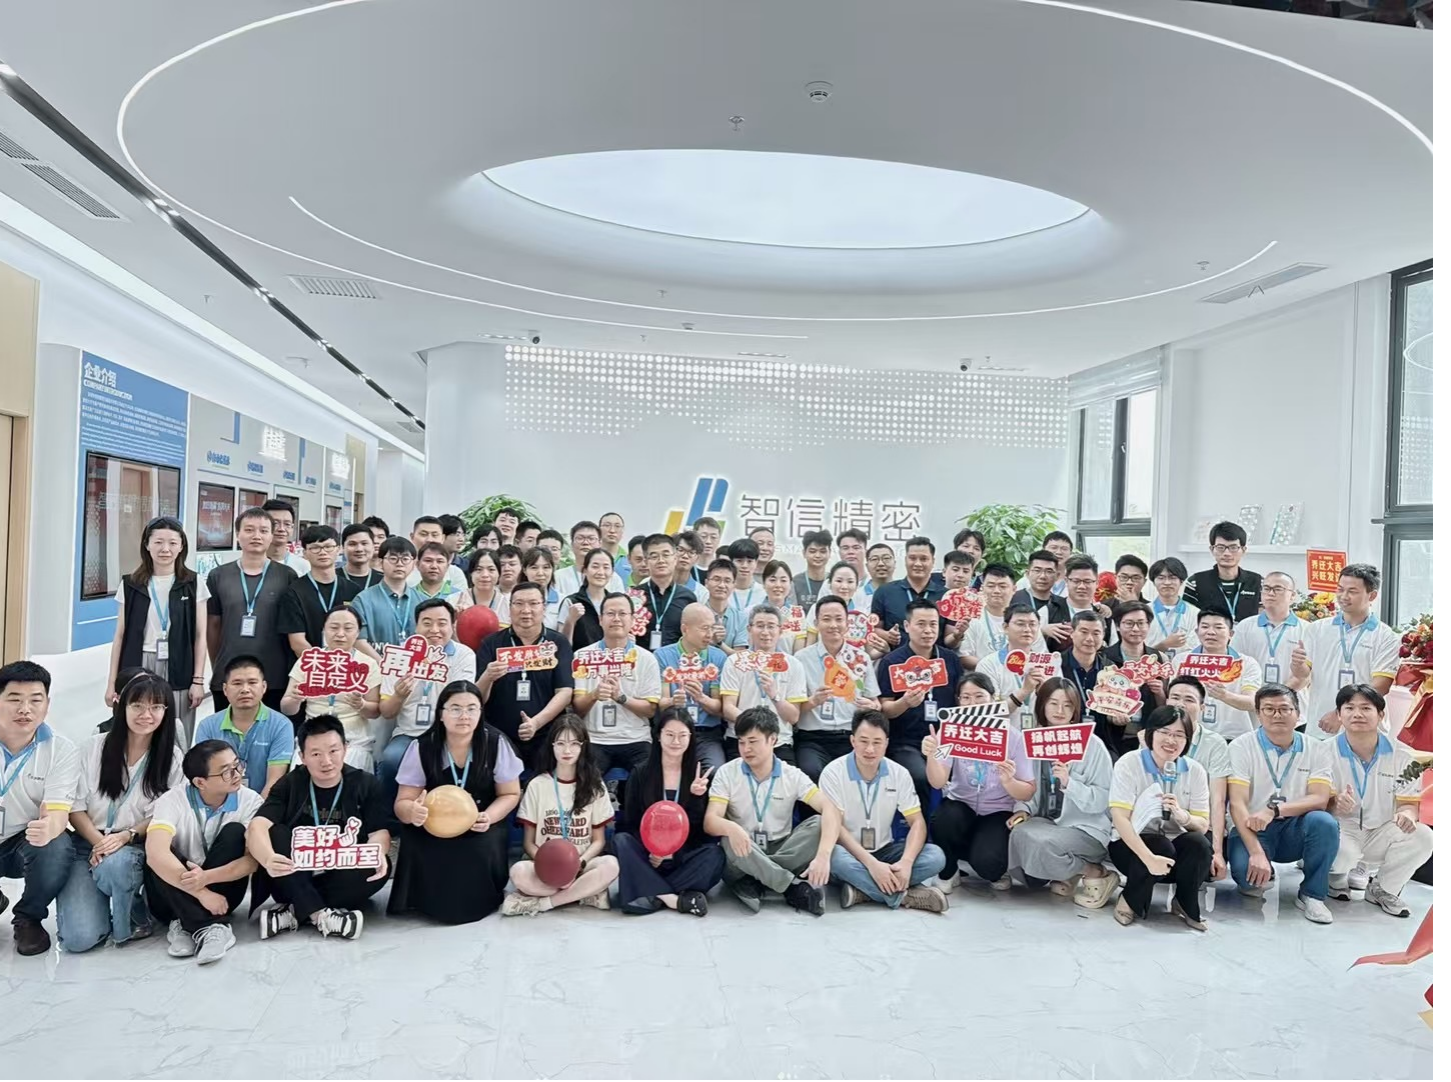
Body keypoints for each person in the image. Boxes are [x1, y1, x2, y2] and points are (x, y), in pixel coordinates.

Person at [57, 672, 183, 952]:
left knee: (117, 865)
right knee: (79, 940)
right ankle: (106, 908)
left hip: (135, 844)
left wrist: (126, 836)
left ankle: (135, 909)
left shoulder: (172, 758)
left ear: (166, 711)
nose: (146, 714)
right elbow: (74, 807)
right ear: (122, 706)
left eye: (156, 706)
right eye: (137, 705)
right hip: (86, 842)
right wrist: (100, 843)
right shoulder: (92, 747)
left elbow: (167, 813)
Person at [247, 715, 390, 940]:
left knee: (378, 863)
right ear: (302, 756)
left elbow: (378, 832)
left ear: (345, 748)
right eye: (315, 754)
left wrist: (377, 852)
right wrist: (267, 859)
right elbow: (257, 826)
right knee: (276, 834)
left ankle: (295, 911)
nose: (326, 761)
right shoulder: (290, 783)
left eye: (333, 751)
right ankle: (322, 915)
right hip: (293, 872)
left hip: (340, 874)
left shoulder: (365, 784)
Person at [390, 682, 522, 923]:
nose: (464, 716)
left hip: (480, 821)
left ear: (481, 712)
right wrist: (412, 812)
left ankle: (482, 900)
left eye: (472, 709)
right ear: (441, 714)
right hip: (432, 823)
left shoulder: (495, 743)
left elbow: (510, 794)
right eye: (455, 709)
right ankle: (424, 902)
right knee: (420, 840)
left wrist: (489, 816)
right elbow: (402, 802)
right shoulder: (422, 747)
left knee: (478, 846)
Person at [705, 707, 839, 915]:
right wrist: (732, 828)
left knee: (821, 823)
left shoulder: (791, 774)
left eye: (753, 741)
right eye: (741, 742)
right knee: (728, 838)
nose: (746, 749)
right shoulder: (727, 772)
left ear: (773, 740)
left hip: (780, 847)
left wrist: (823, 856)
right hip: (745, 847)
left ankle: (757, 877)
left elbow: (830, 808)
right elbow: (710, 821)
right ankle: (790, 887)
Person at [1226, 684, 1339, 923]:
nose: (1277, 715)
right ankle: (1263, 866)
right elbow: (1237, 803)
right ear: (1258, 714)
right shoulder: (1241, 746)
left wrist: (1275, 810)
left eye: (1285, 709)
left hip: (1295, 828)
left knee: (1324, 822)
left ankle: (1312, 894)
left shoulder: (1317, 749)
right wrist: (1256, 853)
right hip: (1253, 828)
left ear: (1298, 714)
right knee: (1249, 883)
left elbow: (1320, 799)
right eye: (1269, 709)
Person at [144, 740, 261, 963]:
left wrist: (206, 878)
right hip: (174, 896)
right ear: (200, 782)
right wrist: (201, 893)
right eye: (226, 772)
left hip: (223, 895)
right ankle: (205, 926)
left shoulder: (251, 801)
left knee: (235, 832)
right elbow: (156, 853)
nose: (237, 774)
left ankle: (187, 923)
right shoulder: (172, 800)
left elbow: (252, 861)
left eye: (237, 765)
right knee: (159, 852)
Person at [1006, 678, 1118, 908]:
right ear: (1042, 705)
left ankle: (1095, 872)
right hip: (1047, 823)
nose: (1060, 711)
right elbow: (1028, 785)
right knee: (1019, 834)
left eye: (1067, 705)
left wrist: (1069, 783)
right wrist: (1022, 810)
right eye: (1053, 703)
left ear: (1075, 710)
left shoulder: (1093, 745)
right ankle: (1068, 872)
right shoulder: (1034, 740)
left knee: (1044, 844)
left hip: (1084, 828)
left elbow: (1103, 800)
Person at [821, 710, 947, 912]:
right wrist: (871, 864)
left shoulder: (899, 773)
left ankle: (863, 890)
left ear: (887, 743)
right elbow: (835, 827)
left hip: (885, 851)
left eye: (877, 742)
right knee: (834, 857)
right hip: (849, 852)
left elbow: (917, 822)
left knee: (936, 856)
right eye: (863, 741)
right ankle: (903, 897)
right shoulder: (833, 772)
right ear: (852, 741)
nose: (870, 749)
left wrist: (906, 863)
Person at [1325, 684, 1432, 918]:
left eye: (1366, 708)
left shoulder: (1404, 756)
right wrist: (1334, 803)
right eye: (1349, 708)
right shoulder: (1323, 752)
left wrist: (1406, 814)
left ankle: (1383, 888)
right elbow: (1316, 800)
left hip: (1381, 831)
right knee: (1339, 848)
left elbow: (1409, 804)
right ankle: (1334, 879)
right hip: (1343, 828)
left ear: (1381, 715)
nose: (1357, 714)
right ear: (1339, 714)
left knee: (1424, 836)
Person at [924, 672, 1034, 891]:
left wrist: (1009, 781)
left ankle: (984, 857)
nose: (972, 703)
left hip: (998, 810)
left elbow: (1028, 791)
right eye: (965, 697)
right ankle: (950, 870)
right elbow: (938, 782)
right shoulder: (950, 732)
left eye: (979, 696)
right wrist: (932, 756)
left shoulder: (1013, 737)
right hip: (960, 804)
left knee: (989, 865)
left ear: (993, 698)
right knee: (944, 819)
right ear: (958, 701)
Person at [1107, 705, 1214, 930]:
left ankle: (1185, 903)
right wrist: (1149, 858)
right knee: (1160, 845)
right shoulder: (1129, 763)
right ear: (1150, 733)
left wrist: (1183, 817)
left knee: (1199, 843)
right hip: (1131, 848)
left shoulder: (1195, 770)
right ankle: (1130, 900)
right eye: (1164, 732)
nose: (1171, 740)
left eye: (1179, 735)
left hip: (1174, 851)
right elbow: (1120, 818)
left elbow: (1203, 825)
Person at [0, 661, 81, 955]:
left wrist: (50, 826)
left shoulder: (61, 750)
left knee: (56, 845)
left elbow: (58, 812)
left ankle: (28, 917)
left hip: (22, 840)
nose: (25, 709)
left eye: (35, 700)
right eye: (14, 699)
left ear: (47, 705)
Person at [106, 515, 209, 742]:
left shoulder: (193, 583)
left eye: (172, 543)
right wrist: (112, 683)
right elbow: (120, 635)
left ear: (181, 546)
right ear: (147, 545)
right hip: (139, 661)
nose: (165, 549)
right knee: (138, 727)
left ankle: (176, 766)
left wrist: (198, 680)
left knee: (177, 732)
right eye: (158, 542)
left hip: (179, 663)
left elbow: (201, 635)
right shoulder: (131, 584)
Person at [504, 715, 621, 915]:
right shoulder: (537, 785)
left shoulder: (595, 785)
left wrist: (578, 865)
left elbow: (599, 841)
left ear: (583, 747)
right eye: (560, 743)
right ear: (552, 746)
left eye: (574, 744)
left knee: (611, 865)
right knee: (518, 872)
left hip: (582, 865)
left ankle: (543, 903)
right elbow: (529, 843)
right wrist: (550, 866)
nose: (567, 751)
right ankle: (585, 893)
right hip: (544, 866)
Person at [613, 707, 724, 916]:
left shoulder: (698, 776)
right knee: (621, 841)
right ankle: (673, 898)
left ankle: (650, 893)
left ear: (691, 737)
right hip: (648, 857)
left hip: (682, 857)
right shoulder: (641, 773)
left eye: (682, 735)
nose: (676, 741)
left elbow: (702, 834)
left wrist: (696, 797)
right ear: (658, 736)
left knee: (715, 856)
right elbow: (629, 822)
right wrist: (653, 850)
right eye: (670, 735)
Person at [377, 599, 477, 797]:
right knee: (390, 759)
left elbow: (461, 701)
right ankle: (389, 813)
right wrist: (399, 695)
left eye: (442, 623)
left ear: (453, 626)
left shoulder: (464, 655)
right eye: (427, 623)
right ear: (416, 627)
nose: (434, 630)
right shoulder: (399, 656)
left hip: (448, 733)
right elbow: (386, 712)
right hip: (409, 734)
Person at [476, 581, 575, 767]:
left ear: (544, 608)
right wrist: (488, 676)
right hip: (499, 734)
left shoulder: (558, 642)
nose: (526, 610)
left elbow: (564, 692)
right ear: (510, 608)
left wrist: (536, 722)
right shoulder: (491, 643)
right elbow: (477, 697)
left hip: (546, 733)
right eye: (519, 603)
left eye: (533, 603)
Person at [206, 507, 296, 712]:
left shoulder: (287, 576)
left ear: (271, 536)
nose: (256, 536)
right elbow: (213, 625)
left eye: (263, 531)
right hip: (229, 674)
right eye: (249, 530)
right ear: (237, 534)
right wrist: (218, 663)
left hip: (274, 676)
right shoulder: (218, 575)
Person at [1302, 563, 1402, 738]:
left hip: (1365, 732)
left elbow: (1380, 686)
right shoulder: (1316, 629)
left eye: (1352, 591)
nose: (1343, 596)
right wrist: (1297, 666)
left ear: (1372, 595)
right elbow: (1303, 675)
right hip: (1321, 727)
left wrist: (1340, 715)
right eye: (1340, 589)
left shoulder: (1387, 637)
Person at [879, 599, 962, 807]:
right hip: (906, 742)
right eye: (921, 624)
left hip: (945, 741)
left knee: (960, 773)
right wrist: (905, 702)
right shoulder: (892, 661)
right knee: (920, 776)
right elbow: (885, 709)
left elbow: (960, 701)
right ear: (907, 626)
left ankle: (948, 822)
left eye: (933, 624)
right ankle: (922, 823)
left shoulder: (950, 660)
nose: (928, 630)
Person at [280, 605, 383, 769]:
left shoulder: (367, 664)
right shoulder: (309, 660)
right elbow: (286, 708)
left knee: (350, 770)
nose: (340, 634)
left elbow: (375, 711)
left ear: (358, 632)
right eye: (334, 628)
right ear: (324, 630)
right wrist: (295, 699)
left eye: (348, 628)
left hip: (353, 739)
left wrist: (361, 705)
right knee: (302, 773)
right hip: (313, 735)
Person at [573, 593, 663, 775]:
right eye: (610, 613)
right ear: (600, 620)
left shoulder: (646, 658)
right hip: (595, 738)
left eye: (622, 614)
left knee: (647, 778)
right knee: (587, 780)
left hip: (636, 739)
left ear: (632, 620)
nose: (616, 619)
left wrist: (621, 697)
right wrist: (594, 695)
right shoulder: (583, 656)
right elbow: (577, 709)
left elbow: (650, 710)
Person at [794, 595, 882, 781]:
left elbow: (876, 702)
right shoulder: (801, 659)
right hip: (812, 738)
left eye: (839, 619)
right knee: (811, 771)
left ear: (848, 624)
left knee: (855, 776)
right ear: (816, 623)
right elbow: (793, 711)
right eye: (826, 619)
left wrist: (873, 706)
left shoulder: (861, 658)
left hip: (851, 736)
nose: (833, 625)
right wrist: (813, 701)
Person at [193, 655, 295, 798]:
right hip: (219, 802)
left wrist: (257, 810)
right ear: (225, 689)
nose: (245, 689)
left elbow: (274, 781)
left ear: (264, 687)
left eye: (252, 682)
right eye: (237, 683)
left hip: (263, 803)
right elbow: (207, 777)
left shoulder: (281, 725)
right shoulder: (207, 726)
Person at [721, 604, 810, 763]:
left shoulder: (793, 664)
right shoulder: (735, 661)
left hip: (779, 742)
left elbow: (793, 717)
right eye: (760, 626)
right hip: (741, 740)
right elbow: (728, 708)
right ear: (749, 629)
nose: (765, 632)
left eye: (771, 626)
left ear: (780, 630)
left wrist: (774, 695)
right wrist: (755, 729)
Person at [1166, 675, 1232, 881]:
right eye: (1175, 697)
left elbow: (1218, 799)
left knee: (1205, 867)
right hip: (1161, 822)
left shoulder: (1215, 743)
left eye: (1189, 699)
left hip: (1199, 823)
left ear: (1202, 708)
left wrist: (1217, 851)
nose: (1180, 704)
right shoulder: (1151, 737)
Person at [654, 602, 730, 771]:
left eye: (712, 628)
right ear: (685, 629)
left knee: (715, 771)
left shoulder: (718, 657)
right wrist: (673, 701)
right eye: (704, 628)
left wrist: (701, 698)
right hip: (673, 728)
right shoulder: (663, 656)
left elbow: (719, 708)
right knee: (660, 771)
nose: (709, 634)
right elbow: (661, 703)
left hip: (707, 732)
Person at [279, 524, 364, 659]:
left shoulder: (353, 590)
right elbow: (297, 642)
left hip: (348, 665)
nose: (322, 552)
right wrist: (325, 665)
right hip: (309, 666)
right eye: (315, 548)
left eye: (328, 547)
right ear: (305, 553)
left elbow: (359, 635)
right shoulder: (294, 592)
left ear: (339, 549)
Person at [1176, 609, 1262, 741]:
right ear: (1197, 632)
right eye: (1205, 626)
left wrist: (1225, 696)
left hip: (1234, 736)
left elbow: (1252, 702)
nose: (1211, 632)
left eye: (1218, 627)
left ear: (1231, 634)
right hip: (1189, 734)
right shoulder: (1181, 661)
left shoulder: (1247, 663)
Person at [1234, 571, 1310, 704]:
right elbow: (1236, 665)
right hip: (1253, 703)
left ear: (1292, 595)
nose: (1270, 593)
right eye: (1266, 588)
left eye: (1278, 589)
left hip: (1292, 703)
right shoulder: (1245, 626)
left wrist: (1278, 696)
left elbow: (1307, 675)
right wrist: (1257, 699)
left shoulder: (1307, 629)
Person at [1104, 600, 1169, 748]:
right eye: (1129, 623)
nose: (1135, 629)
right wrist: (1111, 716)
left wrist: (1159, 692)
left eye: (1141, 623)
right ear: (1117, 626)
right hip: (1113, 736)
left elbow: (1164, 706)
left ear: (1148, 626)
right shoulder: (1104, 658)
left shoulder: (1159, 659)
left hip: (1148, 735)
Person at [1059, 612, 1127, 752]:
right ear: (1072, 633)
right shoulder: (1057, 664)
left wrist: (1114, 718)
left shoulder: (1111, 669)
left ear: (1103, 636)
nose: (1089, 639)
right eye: (1084, 632)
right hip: (1063, 740)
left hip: (1102, 743)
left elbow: (1113, 708)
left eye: (1096, 633)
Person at [959, 564, 1044, 670]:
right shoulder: (971, 617)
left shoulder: (1026, 619)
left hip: (1020, 676)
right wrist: (995, 668)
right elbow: (964, 656)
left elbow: (1040, 655)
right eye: (991, 586)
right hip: (982, 677)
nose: (996, 591)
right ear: (982, 588)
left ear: (1014, 589)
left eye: (1002, 586)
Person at [975, 604, 1048, 727]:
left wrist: (1045, 693)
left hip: (1037, 735)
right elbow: (987, 713)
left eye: (1032, 624)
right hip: (1002, 735)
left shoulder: (1047, 662)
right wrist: (1024, 692)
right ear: (1005, 627)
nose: (1027, 629)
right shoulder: (988, 665)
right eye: (1020, 624)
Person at [349, 537, 425, 650]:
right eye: (393, 558)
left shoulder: (423, 601)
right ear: (381, 563)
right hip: (375, 660)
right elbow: (358, 640)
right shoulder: (363, 600)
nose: (399, 564)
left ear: (413, 564)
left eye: (405, 559)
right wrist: (383, 661)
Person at [870, 536, 946, 647]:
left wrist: (958, 634)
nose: (918, 564)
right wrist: (886, 635)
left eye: (923, 559)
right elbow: (874, 628)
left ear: (933, 561)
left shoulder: (945, 596)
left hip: (935, 657)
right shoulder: (884, 592)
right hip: (895, 656)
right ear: (905, 560)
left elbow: (950, 639)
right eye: (912, 558)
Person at [1184, 520, 1262, 623]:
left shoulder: (1259, 582)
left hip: (1247, 634)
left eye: (1233, 547)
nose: (1227, 553)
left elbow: (1265, 619)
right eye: (1220, 547)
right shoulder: (1195, 583)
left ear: (1243, 550)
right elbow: (1188, 620)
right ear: (1212, 549)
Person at [635, 533, 694, 650]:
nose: (661, 560)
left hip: (675, 659)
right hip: (641, 658)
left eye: (666, 555)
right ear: (646, 562)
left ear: (675, 558)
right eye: (654, 556)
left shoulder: (688, 597)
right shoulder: (635, 596)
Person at [1012, 548, 1073, 651]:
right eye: (1037, 570)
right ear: (1027, 573)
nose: (1043, 576)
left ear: (1057, 576)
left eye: (1049, 571)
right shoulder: (1013, 599)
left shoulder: (1062, 604)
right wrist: (1041, 630)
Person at [563, 547, 617, 649]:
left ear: (612, 572)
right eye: (595, 567)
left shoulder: (615, 603)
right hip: (580, 658)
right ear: (585, 570)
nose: (601, 572)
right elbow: (563, 645)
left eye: (606, 567)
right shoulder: (571, 602)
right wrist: (571, 620)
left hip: (611, 657)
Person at [556, 520, 625, 597]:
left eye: (591, 539)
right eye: (580, 538)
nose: (585, 542)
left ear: (600, 544)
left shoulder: (612, 578)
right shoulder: (558, 577)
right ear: (572, 544)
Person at [1147, 557, 1199, 659]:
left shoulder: (1195, 613)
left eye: (1172, 578)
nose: (1167, 582)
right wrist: (1164, 645)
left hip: (1183, 666)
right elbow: (1137, 649)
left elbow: (1196, 648)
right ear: (1153, 581)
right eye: (1161, 578)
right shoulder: (1143, 612)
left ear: (1181, 581)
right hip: (1150, 666)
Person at [1062, 554, 1118, 649]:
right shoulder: (1049, 612)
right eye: (1076, 581)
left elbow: (1113, 651)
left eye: (1087, 581)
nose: (1082, 586)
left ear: (1096, 583)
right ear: (1066, 581)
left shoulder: (1104, 616)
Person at [405, 517, 469, 594]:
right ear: (412, 537)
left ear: (443, 538)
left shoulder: (455, 573)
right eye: (423, 534)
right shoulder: (402, 568)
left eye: (434, 535)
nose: (429, 539)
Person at [723, 539, 768, 647]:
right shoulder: (722, 591)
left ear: (756, 563)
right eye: (739, 561)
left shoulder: (764, 593)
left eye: (749, 561)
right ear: (731, 562)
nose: (744, 565)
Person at [458, 548, 509, 628]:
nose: (485, 575)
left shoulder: (508, 604)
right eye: (479, 569)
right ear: (471, 573)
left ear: (499, 573)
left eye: (491, 569)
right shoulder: (456, 600)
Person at [520, 547, 567, 629]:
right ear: (524, 570)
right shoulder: (514, 598)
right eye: (534, 568)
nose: (540, 573)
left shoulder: (562, 601)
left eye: (546, 567)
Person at [760, 559, 802, 651]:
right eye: (772, 580)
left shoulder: (797, 613)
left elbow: (799, 651)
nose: (778, 585)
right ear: (763, 583)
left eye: (783, 580)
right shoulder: (753, 612)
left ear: (790, 584)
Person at [262, 499, 312, 575]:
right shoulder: (249, 563)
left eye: (287, 524)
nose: (281, 529)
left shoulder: (303, 566)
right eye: (275, 523)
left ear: (292, 528)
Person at [701, 557, 738, 650]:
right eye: (716, 579)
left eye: (727, 581)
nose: (721, 585)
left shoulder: (741, 618)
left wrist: (719, 643)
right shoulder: (696, 614)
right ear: (706, 583)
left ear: (734, 586)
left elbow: (740, 655)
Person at [793, 529, 833, 609]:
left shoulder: (834, 581)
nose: (818, 555)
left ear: (829, 553)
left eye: (823, 551)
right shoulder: (795, 582)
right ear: (804, 553)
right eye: (812, 551)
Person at [415, 542, 463, 607]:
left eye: (440, 561)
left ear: (447, 566)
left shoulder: (458, 596)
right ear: (418, 564)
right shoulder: (408, 595)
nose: (434, 566)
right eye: (428, 560)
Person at [339, 523, 383, 590]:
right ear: (342, 547)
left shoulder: (383, 581)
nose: (359, 549)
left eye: (364, 543)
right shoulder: (332, 578)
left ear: (373, 546)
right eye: (352, 544)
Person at [671, 530, 711, 603]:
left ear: (697, 558)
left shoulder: (702, 593)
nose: (685, 556)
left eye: (691, 552)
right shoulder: (654, 582)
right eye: (680, 550)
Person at [861, 543, 896, 609]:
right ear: (867, 566)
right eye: (874, 559)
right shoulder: (857, 595)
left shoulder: (905, 593)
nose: (880, 564)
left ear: (895, 563)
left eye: (886, 558)